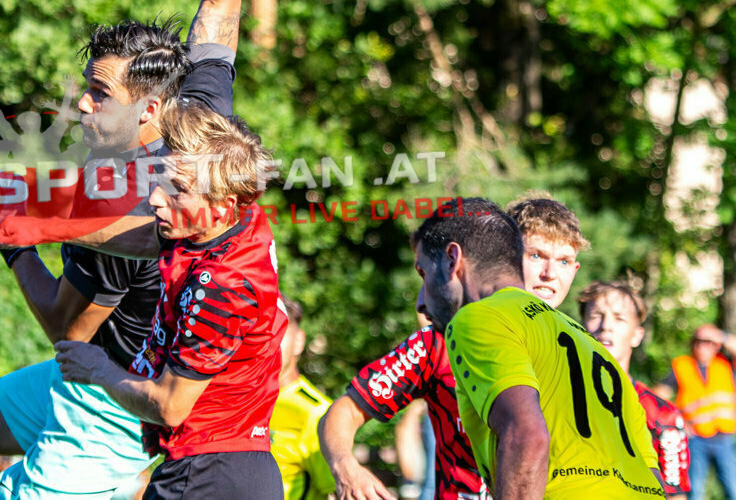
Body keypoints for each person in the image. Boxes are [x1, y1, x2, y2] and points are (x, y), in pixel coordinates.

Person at [0, 0, 243, 500]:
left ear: (148, 111)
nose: (82, 107)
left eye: (99, 95)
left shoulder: (126, 203)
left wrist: (13, 242)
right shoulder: (200, 111)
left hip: (115, 405)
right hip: (88, 379)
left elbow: (65, 331)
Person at [54, 99, 287, 499]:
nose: (157, 199)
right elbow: (144, 237)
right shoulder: (240, 220)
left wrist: (96, 367)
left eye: (177, 190)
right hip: (241, 467)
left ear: (222, 205)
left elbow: (170, 406)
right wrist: (46, 228)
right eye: (158, 179)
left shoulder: (222, 284)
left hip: (205, 475)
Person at [318, 194, 587, 500]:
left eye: (563, 261)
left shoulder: (578, 348)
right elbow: (344, 412)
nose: (550, 274)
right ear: (509, 254)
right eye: (536, 255)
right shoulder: (438, 342)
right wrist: (347, 467)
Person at [417, 197, 663, 498]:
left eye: (424, 273)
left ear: (453, 260)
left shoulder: (480, 317)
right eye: (537, 256)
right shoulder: (593, 346)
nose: (420, 299)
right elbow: (649, 472)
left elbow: (527, 437)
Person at [579, 280, 691, 498]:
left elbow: (674, 494)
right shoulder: (552, 396)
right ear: (580, 326)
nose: (606, 326)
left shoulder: (662, 413)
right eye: (596, 316)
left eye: (619, 318)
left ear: (637, 335)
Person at [657, 323, 736, 500]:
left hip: (724, 438)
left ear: (716, 344)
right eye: (698, 341)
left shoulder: (726, 364)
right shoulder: (682, 365)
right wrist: (676, 420)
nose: (702, 346)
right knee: (695, 492)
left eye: (707, 341)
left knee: (733, 490)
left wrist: (720, 335)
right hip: (695, 439)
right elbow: (658, 397)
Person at [269, 294, 336, 500]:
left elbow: (338, 491)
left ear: (298, 341)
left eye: (278, 335)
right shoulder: (237, 402)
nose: (268, 346)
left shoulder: (316, 412)